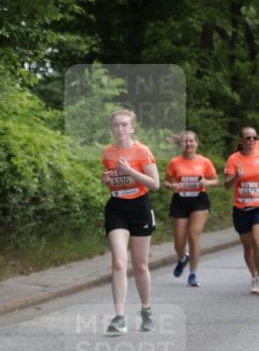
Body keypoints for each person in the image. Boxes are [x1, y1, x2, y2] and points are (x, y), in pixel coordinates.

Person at [101, 109, 160, 334]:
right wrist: (105, 179)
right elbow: (111, 180)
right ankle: (119, 317)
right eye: (116, 125)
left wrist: (129, 171)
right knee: (118, 261)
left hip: (139, 207)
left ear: (132, 128)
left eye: (124, 125)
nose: (120, 128)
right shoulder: (108, 152)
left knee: (140, 265)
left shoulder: (142, 151)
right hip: (117, 207)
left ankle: (146, 310)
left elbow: (154, 184)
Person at [164, 131, 218, 287]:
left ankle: (193, 274)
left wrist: (207, 183)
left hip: (199, 201)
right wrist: (171, 186)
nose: (188, 144)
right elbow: (166, 182)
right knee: (178, 243)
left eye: (191, 141)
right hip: (180, 201)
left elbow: (215, 180)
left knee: (193, 236)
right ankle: (182, 258)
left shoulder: (204, 162)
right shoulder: (175, 162)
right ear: (181, 144)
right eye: (185, 141)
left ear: (196, 143)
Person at [223, 125, 259, 294]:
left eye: (254, 137)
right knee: (248, 247)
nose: (252, 140)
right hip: (241, 207)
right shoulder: (233, 159)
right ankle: (253, 276)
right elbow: (227, 186)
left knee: (257, 242)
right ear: (241, 141)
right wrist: (237, 176)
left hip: (258, 207)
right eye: (248, 138)